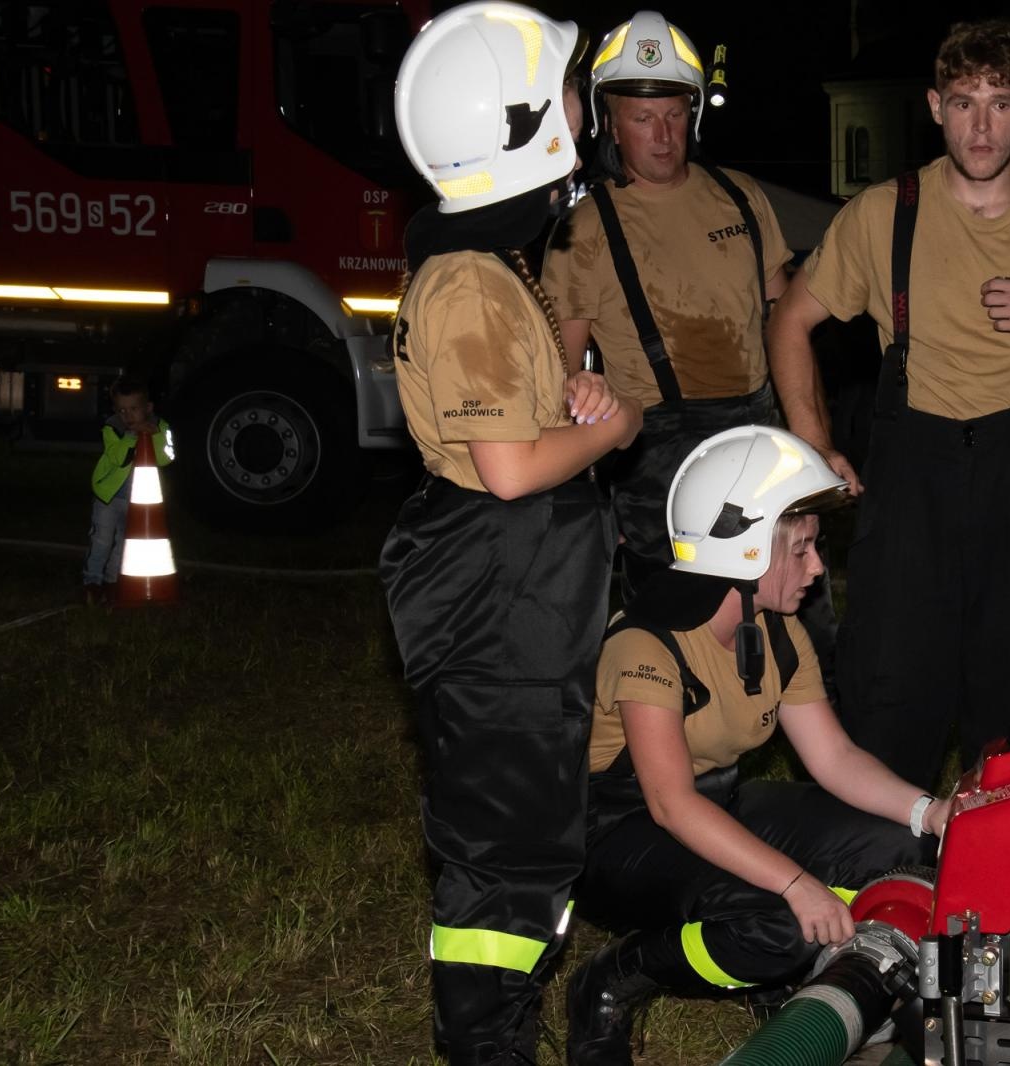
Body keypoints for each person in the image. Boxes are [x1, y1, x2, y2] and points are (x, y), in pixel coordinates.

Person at [767, 19, 1010, 788]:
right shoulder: (885, 212)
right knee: (891, 693)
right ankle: (881, 878)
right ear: (935, 106)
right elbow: (790, 319)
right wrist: (813, 447)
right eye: (965, 103)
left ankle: (1000, 883)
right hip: (911, 476)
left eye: (1002, 104)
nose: (982, 126)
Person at [378, 8, 642, 1065]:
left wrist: (569, 395)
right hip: (500, 605)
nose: (584, 113)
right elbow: (509, 468)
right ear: (525, 127)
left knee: (528, 836)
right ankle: (486, 1042)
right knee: (503, 850)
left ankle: (501, 1023)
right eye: (570, 95)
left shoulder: (482, 263)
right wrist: (613, 424)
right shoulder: (471, 283)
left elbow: (518, 433)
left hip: (516, 593)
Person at [567, 426, 946, 1066]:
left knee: (907, 849)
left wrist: (928, 811)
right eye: (800, 549)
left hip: (721, 802)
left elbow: (834, 759)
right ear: (744, 552)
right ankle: (616, 976)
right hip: (619, 833)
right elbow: (671, 805)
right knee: (784, 926)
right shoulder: (645, 645)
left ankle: (794, 968)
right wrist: (798, 883)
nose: (818, 567)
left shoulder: (777, 629)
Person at [542, 10, 793, 599]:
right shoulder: (583, 229)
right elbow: (559, 377)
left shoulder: (742, 195)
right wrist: (588, 493)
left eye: (675, 115)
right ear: (609, 123)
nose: (662, 136)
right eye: (643, 118)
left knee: (785, 619)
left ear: (696, 113)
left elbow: (786, 322)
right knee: (676, 634)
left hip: (760, 439)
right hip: (655, 462)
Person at [83, 376, 172, 604]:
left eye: (133, 409)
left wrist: (153, 435)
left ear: (148, 408)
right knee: (101, 540)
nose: (127, 415)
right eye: (122, 410)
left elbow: (165, 458)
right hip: (108, 497)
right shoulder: (113, 428)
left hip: (136, 501)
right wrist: (134, 435)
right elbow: (118, 457)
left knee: (123, 542)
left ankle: (112, 583)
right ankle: (92, 582)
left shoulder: (161, 427)